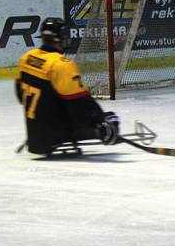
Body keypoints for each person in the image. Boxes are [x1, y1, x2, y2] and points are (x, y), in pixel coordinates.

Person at [16, 17, 120, 155]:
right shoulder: (61, 65)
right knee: (111, 119)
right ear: (58, 39)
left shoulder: (27, 57)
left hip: (34, 133)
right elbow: (79, 104)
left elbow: (20, 94)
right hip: (54, 135)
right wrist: (101, 121)